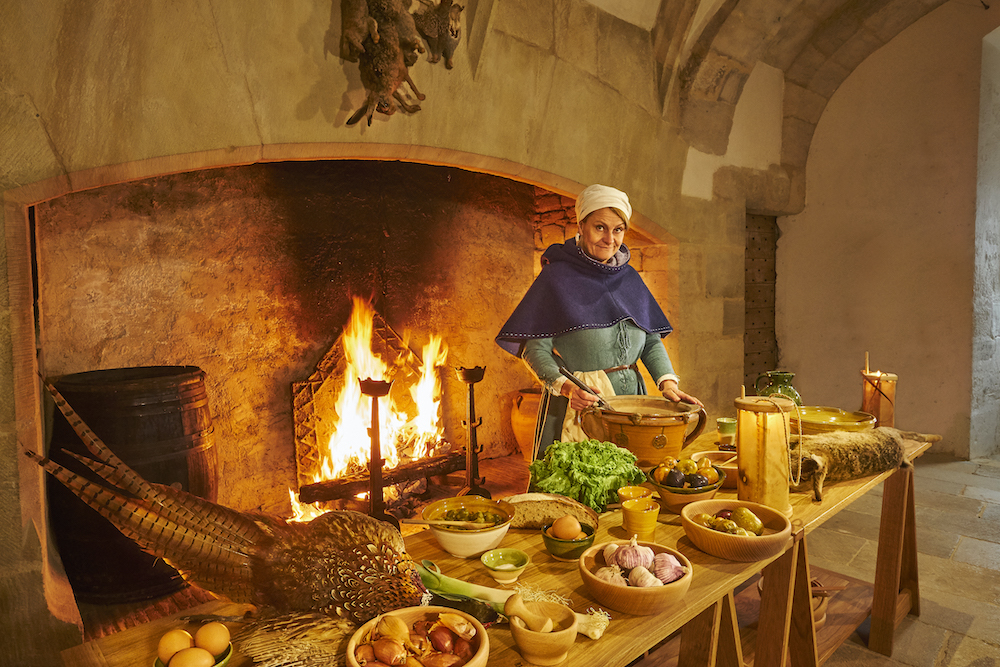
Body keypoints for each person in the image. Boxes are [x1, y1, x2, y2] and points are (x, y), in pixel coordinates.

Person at [496, 183, 703, 458]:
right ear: (581, 226)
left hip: (631, 407)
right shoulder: (555, 279)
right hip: (580, 405)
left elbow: (650, 340)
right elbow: (535, 350)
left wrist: (668, 384)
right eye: (600, 227)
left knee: (631, 492)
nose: (610, 239)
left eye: (618, 229)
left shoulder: (630, 279)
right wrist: (569, 389)